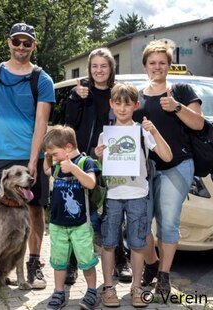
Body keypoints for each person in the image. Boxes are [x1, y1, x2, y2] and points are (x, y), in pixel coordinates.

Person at [0, 23, 54, 289]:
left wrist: (33, 161)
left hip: (29, 156)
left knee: (34, 211)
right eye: (17, 42)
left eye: (26, 43)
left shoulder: (42, 79)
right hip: (0, 157)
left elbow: (42, 122)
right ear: (9, 43)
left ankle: (33, 264)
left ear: (34, 46)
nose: (21, 47)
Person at [133, 40, 204, 295]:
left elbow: (198, 124)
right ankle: (151, 264)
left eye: (162, 63)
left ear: (169, 66)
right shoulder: (138, 95)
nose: (157, 67)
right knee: (141, 224)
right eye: (152, 62)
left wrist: (176, 107)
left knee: (168, 224)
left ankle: (164, 275)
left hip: (176, 166)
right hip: (144, 168)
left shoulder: (181, 89)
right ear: (145, 66)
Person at [95, 83, 172, 307]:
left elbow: (167, 156)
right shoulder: (105, 135)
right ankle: (109, 288)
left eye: (127, 104)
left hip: (138, 194)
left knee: (138, 243)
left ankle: (137, 288)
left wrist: (154, 130)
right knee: (109, 243)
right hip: (112, 195)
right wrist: (99, 156)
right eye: (117, 103)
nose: (122, 108)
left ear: (135, 105)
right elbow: (102, 168)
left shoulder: (141, 132)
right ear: (111, 104)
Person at [63, 47, 132, 284]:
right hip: (84, 160)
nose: (99, 70)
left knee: (114, 213)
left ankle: (121, 261)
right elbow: (69, 125)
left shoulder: (118, 93)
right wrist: (73, 98)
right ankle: (71, 264)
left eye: (104, 66)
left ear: (111, 68)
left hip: (114, 161)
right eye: (95, 66)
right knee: (80, 212)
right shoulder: (81, 92)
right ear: (89, 69)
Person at [42, 125, 99, 310]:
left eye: (55, 153)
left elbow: (90, 183)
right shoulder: (57, 165)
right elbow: (47, 171)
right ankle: (59, 292)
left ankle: (91, 291)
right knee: (59, 261)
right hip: (58, 223)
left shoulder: (85, 162)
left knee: (86, 260)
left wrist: (73, 168)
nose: (54, 158)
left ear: (68, 147)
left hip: (80, 224)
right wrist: (48, 157)